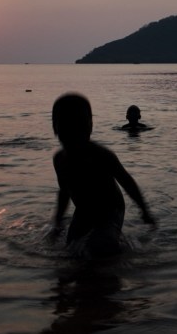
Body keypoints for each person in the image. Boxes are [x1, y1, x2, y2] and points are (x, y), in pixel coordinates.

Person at [49, 93, 156, 257]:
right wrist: (58, 220)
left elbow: (127, 182)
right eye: (67, 125)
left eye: (80, 125)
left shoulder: (102, 155)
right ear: (55, 128)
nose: (74, 132)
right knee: (70, 246)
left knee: (103, 248)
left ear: (90, 126)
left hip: (111, 210)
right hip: (83, 210)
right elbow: (64, 191)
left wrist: (144, 211)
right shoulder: (60, 160)